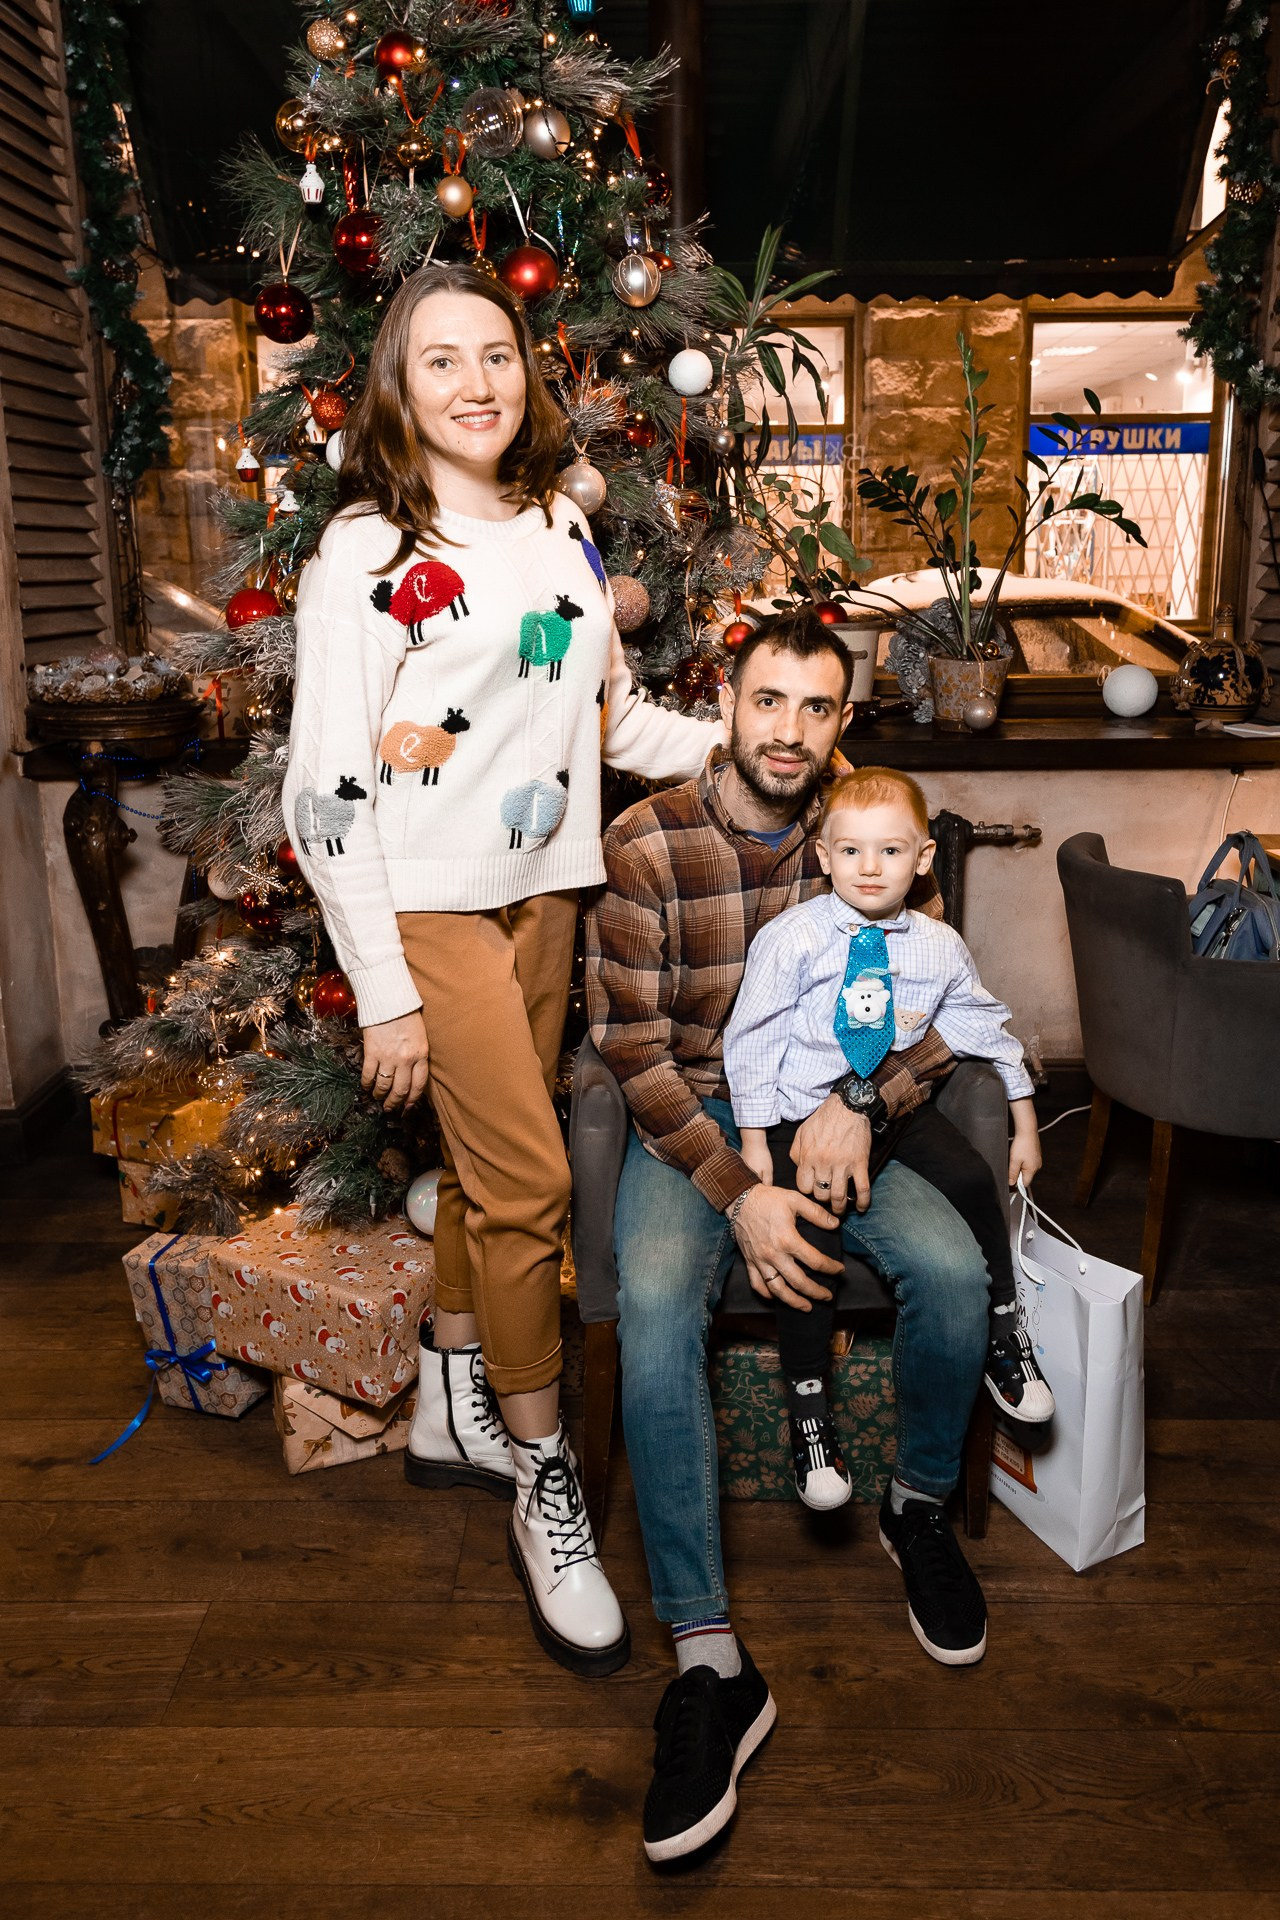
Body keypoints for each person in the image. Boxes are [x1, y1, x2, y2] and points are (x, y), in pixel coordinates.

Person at [283, 262, 720, 1678]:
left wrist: (764, 749)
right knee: (533, 1187)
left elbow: (613, 719)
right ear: (397, 396)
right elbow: (325, 791)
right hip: (426, 905)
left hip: (546, 891)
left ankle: (442, 1405)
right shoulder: (360, 554)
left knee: (483, 1173)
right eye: (440, 363)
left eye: (499, 356)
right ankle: (544, 1484)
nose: (478, 383)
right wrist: (388, 988)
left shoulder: (555, 531)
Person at [587, 607, 999, 1863]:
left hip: (833, 1116)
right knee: (655, 1309)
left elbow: (942, 1018)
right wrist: (741, 1188)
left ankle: (915, 1507)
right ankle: (711, 1665)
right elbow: (629, 1055)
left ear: (840, 722)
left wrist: (855, 1105)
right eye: (769, 701)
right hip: (695, 1130)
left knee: (951, 1269)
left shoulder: (867, 837)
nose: (790, 731)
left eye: (816, 708)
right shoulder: (647, 843)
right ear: (727, 700)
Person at [725, 765, 1050, 1514]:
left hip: (890, 1115)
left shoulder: (938, 947)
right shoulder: (794, 939)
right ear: (823, 855)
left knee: (972, 1180)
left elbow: (985, 1029)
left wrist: (1026, 1120)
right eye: (851, 851)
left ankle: (1006, 1331)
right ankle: (811, 1413)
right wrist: (752, 1150)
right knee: (814, 1250)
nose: (869, 869)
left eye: (891, 852)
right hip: (793, 1120)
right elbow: (750, 1040)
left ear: (925, 858)